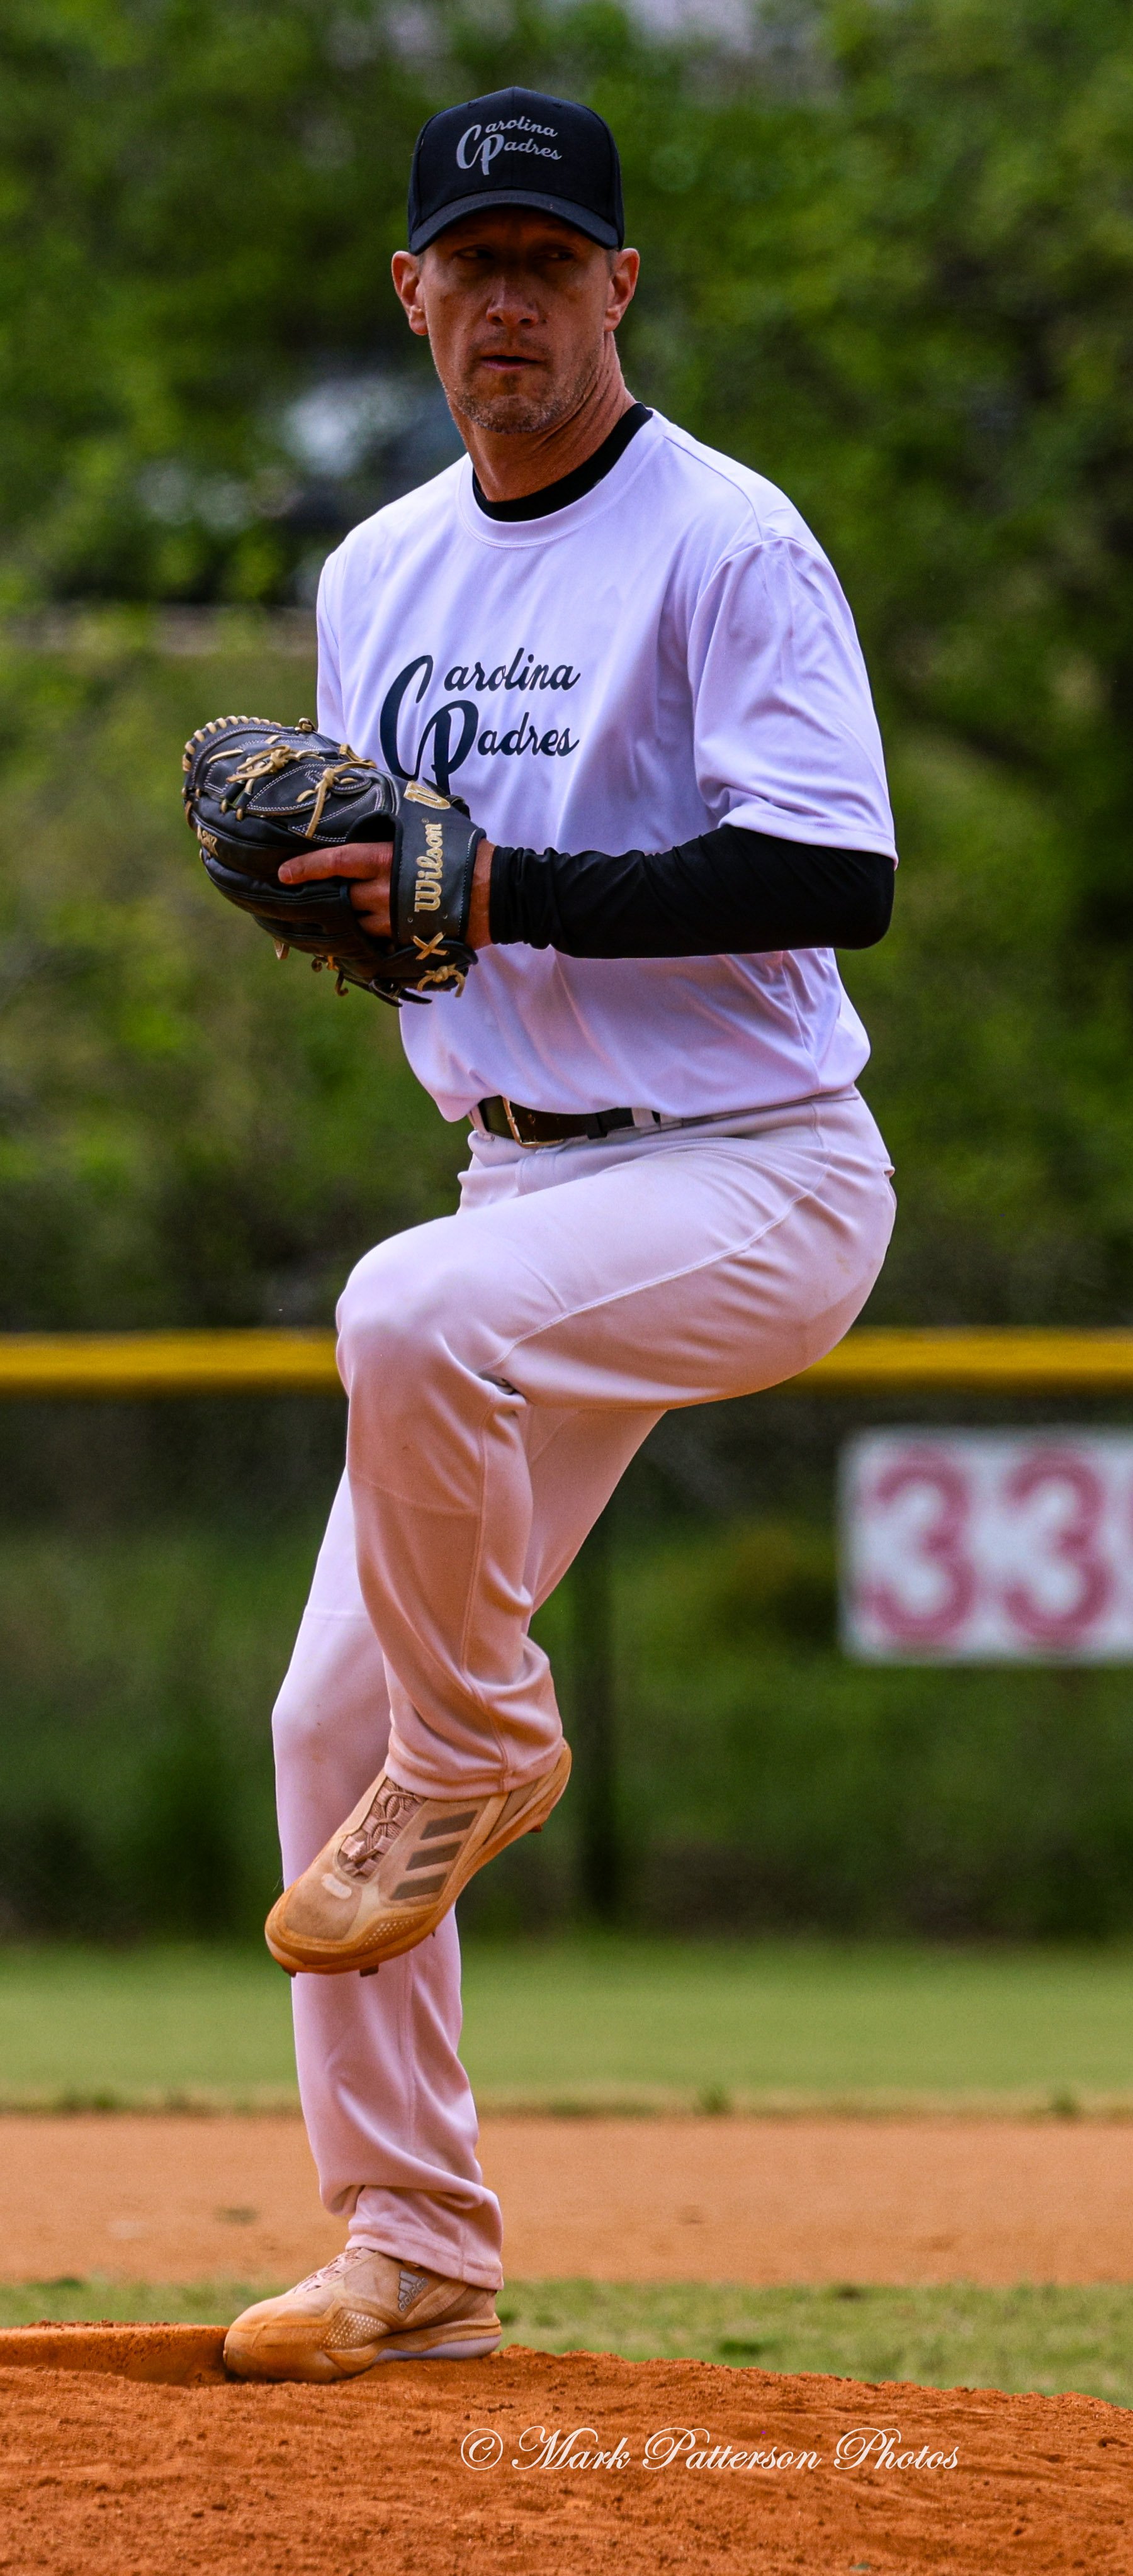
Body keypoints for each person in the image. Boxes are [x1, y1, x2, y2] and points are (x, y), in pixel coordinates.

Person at [223, 85, 897, 2382]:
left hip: (756, 1168)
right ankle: (413, 2249)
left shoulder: (729, 543)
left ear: (619, 286)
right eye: (468, 264)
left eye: (551, 259)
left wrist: (490, 889)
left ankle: (492, 1746)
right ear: (410, 296)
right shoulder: (378, 570)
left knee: (405, 1319)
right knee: (329, 1719)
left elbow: (837, 877)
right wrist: (362, 917)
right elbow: (407, 907)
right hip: (522, 1175)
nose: (507, 299)